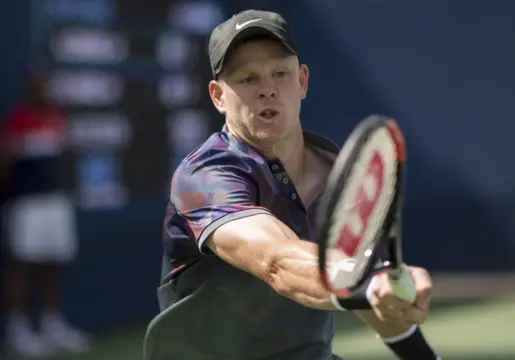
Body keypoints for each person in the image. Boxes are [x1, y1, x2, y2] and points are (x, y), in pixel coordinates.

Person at [147, 9, 439, 360]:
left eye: (279, 74)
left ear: (301, 81)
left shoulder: (341, 176)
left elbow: (369, 298)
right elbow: (277, 262)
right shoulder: (204, 176)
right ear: (218, 96)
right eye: (247, 79)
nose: (267, 90)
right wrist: (367, 279)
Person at [1, 71, 91, 357]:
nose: (43, 89)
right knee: (22, 264)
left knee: (54, 262)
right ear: (28, 89)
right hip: (26, 203)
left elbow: (67, 159)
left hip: (56, 202)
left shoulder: (56, 118)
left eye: (47, 84)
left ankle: (52, 325)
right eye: (37, 84)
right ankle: (18, 330)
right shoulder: (16, 121)